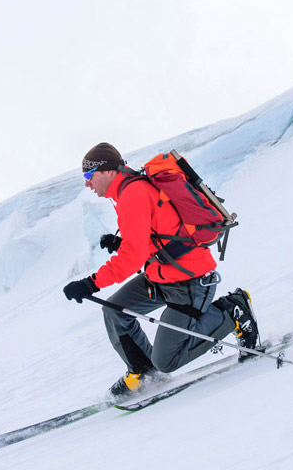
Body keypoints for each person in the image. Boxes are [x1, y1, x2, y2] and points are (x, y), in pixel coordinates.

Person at [63, 142, 260, 399]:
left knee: (167, 359)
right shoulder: (129, 191)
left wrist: (91, 283)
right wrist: (121, 243)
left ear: (108, 171)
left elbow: (131, 260)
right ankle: (145, 372)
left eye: (89, 177)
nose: (88, 185)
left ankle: (233, 310)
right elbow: (158, 234)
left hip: (190, 280)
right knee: (115, 310)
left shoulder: (132, 194)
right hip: (162, 275)